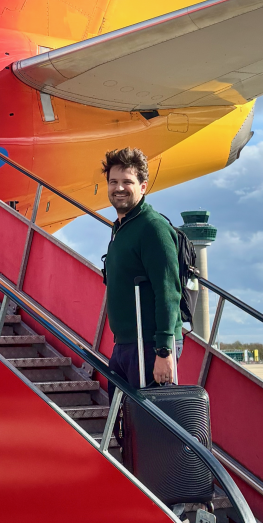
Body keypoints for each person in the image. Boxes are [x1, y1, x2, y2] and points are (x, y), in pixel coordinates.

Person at [102, 147, 182, 393]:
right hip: (126, 343)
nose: (119, 188)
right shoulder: (121, 228)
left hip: (149, 345)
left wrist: (164, 351)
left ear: (143, 186)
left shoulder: (153, 228)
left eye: (128, 182)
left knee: (150, 426)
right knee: (124, 424)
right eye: (113, 181)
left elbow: (168, 293)